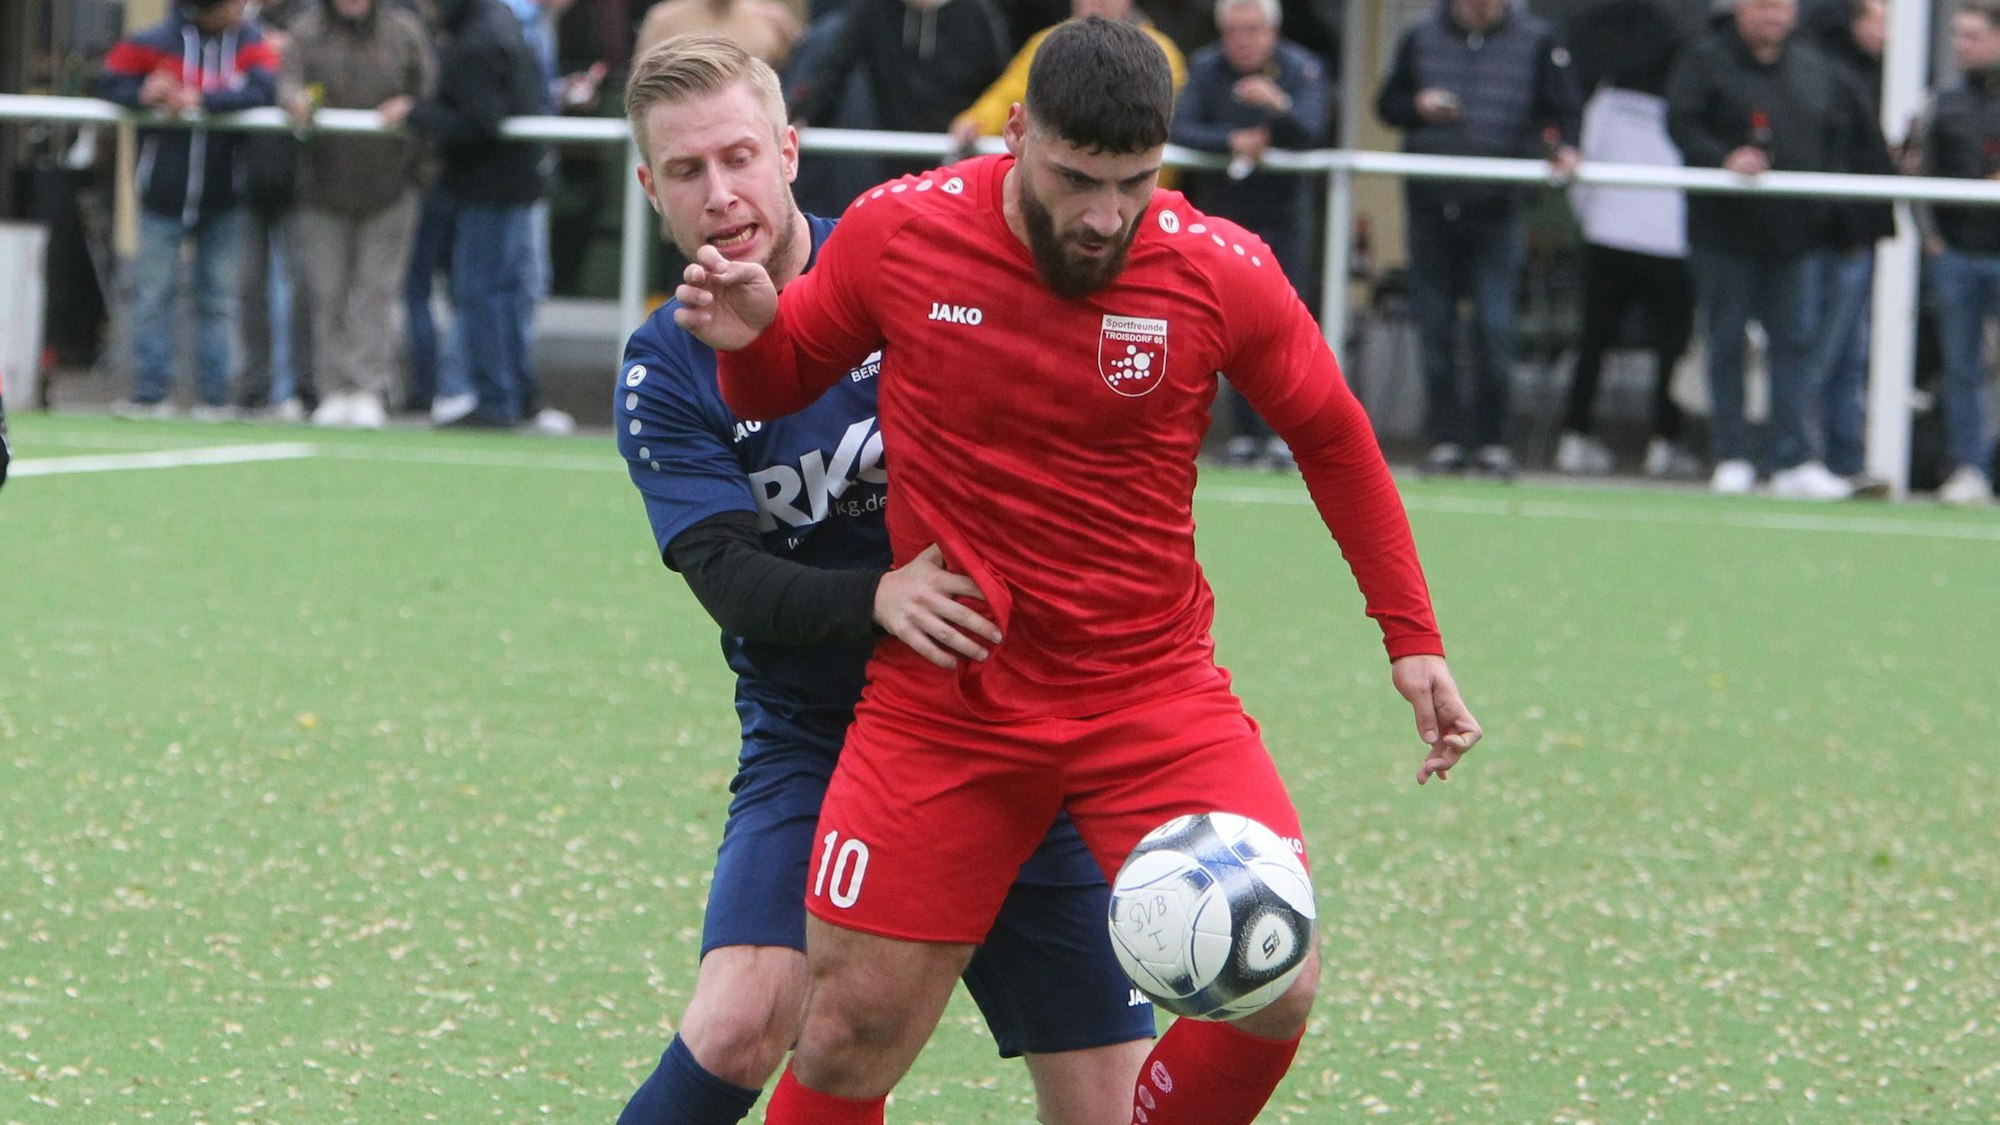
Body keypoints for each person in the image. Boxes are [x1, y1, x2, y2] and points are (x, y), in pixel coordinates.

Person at [673, 18, 1482, 1124]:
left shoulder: (1216, 268)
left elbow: (1332, 436)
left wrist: (1412, 636)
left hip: (1149, 694)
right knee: (847, 1031)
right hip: (945, 701)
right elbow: (775, 383)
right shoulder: (899, 233)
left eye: (1134, 183)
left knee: (1275, 984)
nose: (1105, 214)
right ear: (1016, 134)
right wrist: (749, 342)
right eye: (1075, 179)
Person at [611, 35, 1155, 1125]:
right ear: (648, 189)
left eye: (738, 158)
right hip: (815, 735)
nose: (720, 195)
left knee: (1107, 1104)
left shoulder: (910, 262)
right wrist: (877, 598)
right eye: (685, 172)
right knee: (740, 1017)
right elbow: (730, 577)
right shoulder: (663, 364)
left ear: (789, 151)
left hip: (1010, 723)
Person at [1665, 0, 1884, 498]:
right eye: (1764, 5)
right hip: (1724, 232)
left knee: (1796, 346)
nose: (1774, 16)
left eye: (1783, 7)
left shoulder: (1812, 66)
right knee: (1725, 342)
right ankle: (1734, 454)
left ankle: (1793, 457)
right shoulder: (1705, 60)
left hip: (1793, 233)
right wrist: (1723, 158)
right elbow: (1680, 124)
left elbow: (1832, 138)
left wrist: (1831, 214)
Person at [1375, 0, 1581, 480]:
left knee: (1494, 327)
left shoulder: (1537, 40)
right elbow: (1387, 105)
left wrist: (1564, 148)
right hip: (1429, 203)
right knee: (1436, 328)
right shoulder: (1420, 36)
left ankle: (1491, 442)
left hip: (1498, 208)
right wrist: (1419, 106)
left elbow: (1564, 109)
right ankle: (1446, 439)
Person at [97, 0, 279, 421]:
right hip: (161, 192)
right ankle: (149, 393)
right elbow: (108, 81)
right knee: (152, 295)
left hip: (225, 195)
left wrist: (202, 100)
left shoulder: (251, 44)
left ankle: (215, 397)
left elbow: (263, 89)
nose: (242, 8)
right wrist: (144, 94)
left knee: (218, 298)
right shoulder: (151, 42)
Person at [1170, 0, 1326, 471]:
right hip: (1221, 224)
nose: (1243, 40)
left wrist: (1276, 104)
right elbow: (1181, 127)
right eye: (1234, 30)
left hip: (1284, 219)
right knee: (1225, 330)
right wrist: (1231, 142)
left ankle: (1285, 434)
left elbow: (1313, 128)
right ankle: (1245, 435)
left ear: (1273, 31)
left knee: (1283, 330)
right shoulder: (1205, 66)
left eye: (1253, 30)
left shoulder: (1301, 67)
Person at [1556, 0, 1701, 479]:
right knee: (1669, 348)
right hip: (1668, 243)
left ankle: (1574, 436)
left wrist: (1592, 220)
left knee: (1594, 342)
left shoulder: (1605, 101)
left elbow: (1582, 172)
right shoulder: (1686, 106)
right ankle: (1665, 441)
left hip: (1607, 237)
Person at [282, 0, 436, 429]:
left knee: (376, 294)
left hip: (391, 185)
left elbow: (429, 93)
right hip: (322, 187)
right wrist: (295, 102)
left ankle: (369, 388)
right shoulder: (304, 32)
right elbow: (287, 83)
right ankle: (331, 390)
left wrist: (410, 112)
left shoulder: (404, 31)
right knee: (326, 292)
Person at [405, 0, 549, 430]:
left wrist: (416, 114)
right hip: (513, 181)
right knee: (505, 293)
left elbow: (479, 122)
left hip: (491, 186)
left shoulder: (476, 41)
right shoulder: (498, 20)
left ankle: (497, 398)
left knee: (481, 292)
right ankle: (517, 395)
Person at [1802, 0, 1895, 496]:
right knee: (1822, 350)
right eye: (1877, 16)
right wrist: (1849, 227)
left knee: (1850, 355)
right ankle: (1808, 457)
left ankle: (1844, 458)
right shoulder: (1829, 75)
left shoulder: (1871, 74)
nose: (1887, 28)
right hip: (1836, 237)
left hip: (1854, 234)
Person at [1919, 1, 2000, 505]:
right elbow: (1922, 173)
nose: (1961, 45)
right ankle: (1970, 466)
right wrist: (1933, 238)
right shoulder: (1944, 102)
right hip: (1958, 253)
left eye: (1972, 36)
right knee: (1961, 366)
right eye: (1958, 36)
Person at [947, 0, 1186, 157]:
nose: (1090, 4)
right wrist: (976, 121)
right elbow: (1010, 91)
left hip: (1127, 171)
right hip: (1066, 168)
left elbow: (1161, 126)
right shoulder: (1049, 41)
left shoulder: (1160, 51)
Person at [635, 0, 802, 67]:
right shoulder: (663, 20)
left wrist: (793, 38)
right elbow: (641, 86)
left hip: (748, 126)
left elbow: (799, 79)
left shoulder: (770, 20)